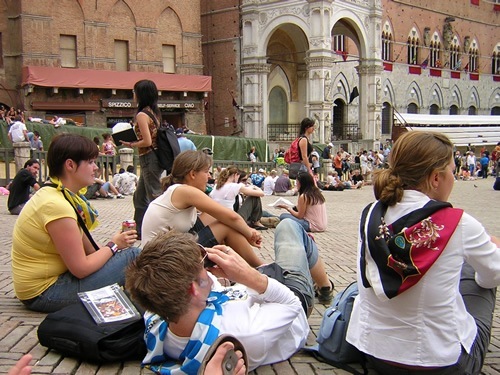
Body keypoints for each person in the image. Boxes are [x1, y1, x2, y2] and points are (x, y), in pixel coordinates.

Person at [346, 131, 500, 374]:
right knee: (481, 270)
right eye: (452, 170)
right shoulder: (460, 224)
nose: (454, 177)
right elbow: (493, 275)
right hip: (440, 363)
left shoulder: (371, 215)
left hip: (376, 355)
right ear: (435, 178)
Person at [125, 219, 333, 373]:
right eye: (203, 266)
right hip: (288, 297)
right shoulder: (245, 333)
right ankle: (325, 286)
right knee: (289, 227)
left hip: (255, 291)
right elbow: (291, 304)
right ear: (193, 289)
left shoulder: (159, 317)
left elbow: (204, 290)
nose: (207, 267)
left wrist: (226, 275)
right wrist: (248, 275)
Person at [11, 134, 140, 313]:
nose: (96, 168)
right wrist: (113, 245)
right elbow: (81, 268)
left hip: (47, 285)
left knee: (125, 256)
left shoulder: (60, 195)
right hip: (44, 293)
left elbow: (91, 251)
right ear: (70, 165)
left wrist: (116, 245)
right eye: (91, 162)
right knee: (133, 256)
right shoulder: (56, 205)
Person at [141, 150, 264, 267]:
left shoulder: (178, 190)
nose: (209, 176)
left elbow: (221, 215)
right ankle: (261, 267)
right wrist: (250, 234)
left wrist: (244, 228)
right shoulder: (184, 191)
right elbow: (232, 217)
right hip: (161, 261)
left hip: (168, 248)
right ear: (192, 174)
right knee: (225, 224)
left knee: (217, 217)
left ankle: (232, 265)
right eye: (206, 172)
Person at [120, 80, 164, 239]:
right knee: (139, 197)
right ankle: (139, 230)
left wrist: (130, 143)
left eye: (134, 91)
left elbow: (147, 141)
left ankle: (163, 229)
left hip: (148, 157)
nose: (133, 95)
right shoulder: (153, 112)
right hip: (154, 157)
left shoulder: (142, 115)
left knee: (154, 195)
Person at [210, 165, 267, 230]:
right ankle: (256, 221)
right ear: (235, 175)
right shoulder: (234, 186)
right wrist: (255, 187)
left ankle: (256, 221)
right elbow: (261, 194)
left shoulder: (217, 186)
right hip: (231, 218)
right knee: (254, 197)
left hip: (218, 216)